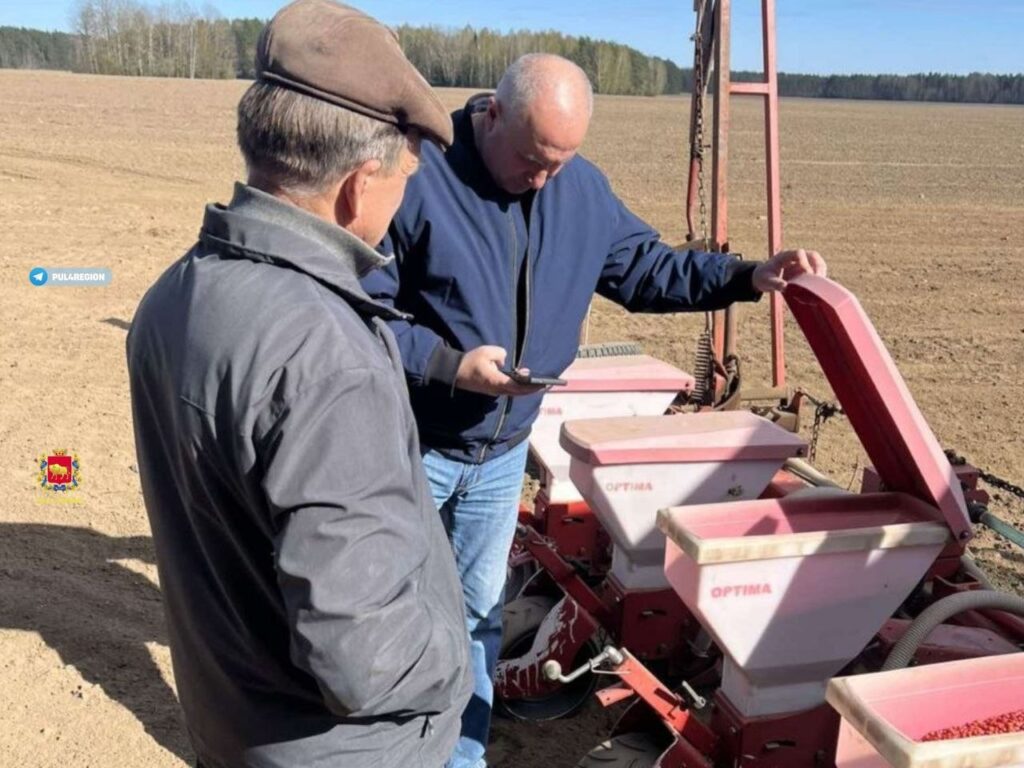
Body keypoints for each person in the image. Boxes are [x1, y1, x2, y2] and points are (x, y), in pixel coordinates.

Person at [363, 52, 826, 767]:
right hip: (411, 445)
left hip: (500, 456)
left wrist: (747, 276)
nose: (543, 179)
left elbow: (647, 269)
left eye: (560, 161)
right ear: (491, 115)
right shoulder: (420, 180)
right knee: (383, 618)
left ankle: (461, 758)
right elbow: (363, 315)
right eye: (531, 159)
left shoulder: (579, 190)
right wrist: (450, 367)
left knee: (476, 619)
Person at [125, 2, 472, 766]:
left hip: (228, 721)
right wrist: (458, 654)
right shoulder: (328, 357)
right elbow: (364, 661)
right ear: (358, 185)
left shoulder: (175, 292)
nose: (403, 200)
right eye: (406, 178)